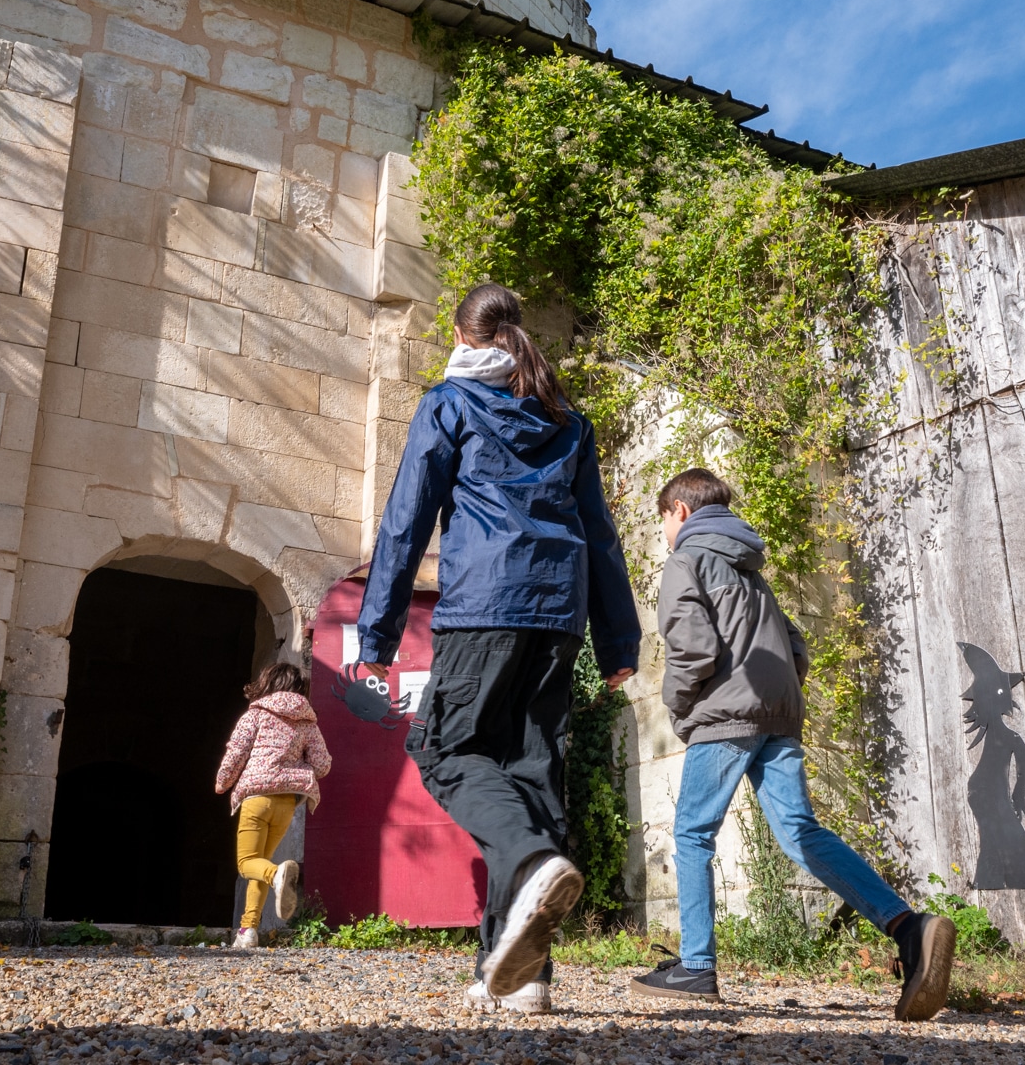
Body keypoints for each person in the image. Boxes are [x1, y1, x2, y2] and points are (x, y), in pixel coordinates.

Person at [358, 283, 641, 1014]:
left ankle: (531, 860)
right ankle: (518, 974)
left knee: (446, 750)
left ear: (463, 336)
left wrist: (378, 633)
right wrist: (618, 641)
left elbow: (405, 519)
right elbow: (601, 538)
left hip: (485, 605)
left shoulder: (449, 404)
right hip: (559, 617)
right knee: (533, 771)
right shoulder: (567, 422)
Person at [630, 468, 956, 1022]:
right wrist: (777, 697)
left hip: (727, 714)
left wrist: (684, 709)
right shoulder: (750, 567)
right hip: (777, 713)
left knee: (690, 833)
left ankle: (696, 966)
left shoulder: (687, 559)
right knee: (800, 832)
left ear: (678, 511)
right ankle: (908, 927)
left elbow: (692, 649)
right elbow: (795, 644)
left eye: (662, 519)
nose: (664, 531)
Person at [215, 661, 332, 949]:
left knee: (247, 863)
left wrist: (222, 783)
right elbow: (322, 765)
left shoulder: (255, 715)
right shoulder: (308, 721)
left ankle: (276, 874)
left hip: (256, 797)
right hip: (287, 803)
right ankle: (248, 931)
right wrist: (296, 764)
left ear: (268, 683)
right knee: (261, 861)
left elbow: (236, 754)